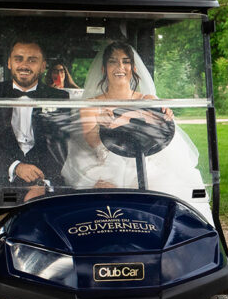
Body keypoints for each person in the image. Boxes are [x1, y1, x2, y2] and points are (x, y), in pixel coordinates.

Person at [61, 42, 213, 222]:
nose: (120, 67)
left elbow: (159, 136)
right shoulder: (92, 104)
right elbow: (92, 142)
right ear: (104, 68)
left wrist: (165, 118)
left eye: (125, 62)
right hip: (106, 164)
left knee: (164, 191)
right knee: (107, 195)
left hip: (146, 161)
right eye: (113, 62)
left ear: (133, 68)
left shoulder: (148, 100)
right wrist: (101, 125)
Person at [0, 40, 68, 202]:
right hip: (2, 176)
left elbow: (62, 144)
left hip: (45, 177)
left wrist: (42, 183)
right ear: (9, 63)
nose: (24, 65)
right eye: (18, 59)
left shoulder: (59, 98)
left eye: (32, 60)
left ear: (43, 66)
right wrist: (15, 167)